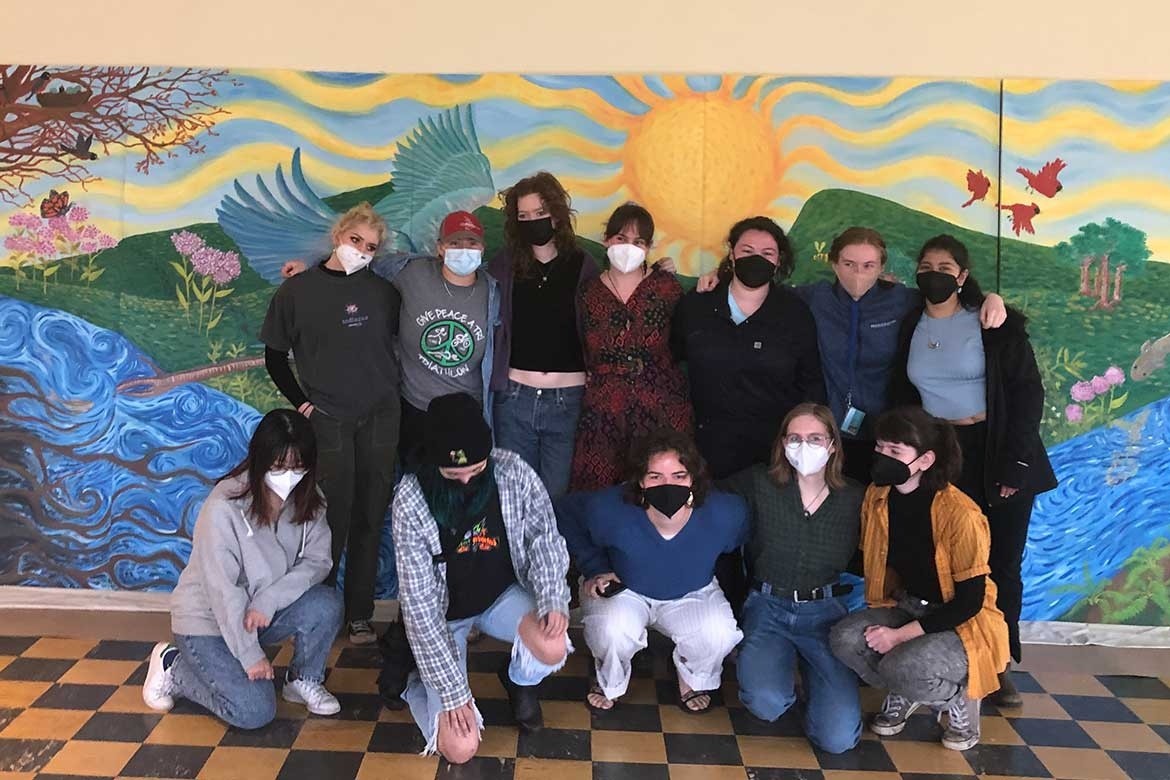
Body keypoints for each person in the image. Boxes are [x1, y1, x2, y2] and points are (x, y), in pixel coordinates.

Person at [696, 226, 1006, 482]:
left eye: (868, 266)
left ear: (881, 267)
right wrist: (719, 277)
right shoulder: (813, 297)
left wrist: (992, 298)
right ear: (833, 264)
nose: (858, 273)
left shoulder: (903, 300)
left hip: (884, 435)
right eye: (849, 264)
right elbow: (755, 289)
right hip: (827, 434)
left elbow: (949, 301)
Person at [888, 234, 1055, 706]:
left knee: (1001, 562)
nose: (934, 273)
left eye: (945, 266)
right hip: (940, 452)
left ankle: (998, 665)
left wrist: (1016, 463)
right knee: (942, 559)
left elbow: (1027, 393)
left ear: (962, 276)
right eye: (925, 264)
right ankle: (940, 654)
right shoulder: (909, 323)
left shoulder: (993, 321)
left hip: (997, 447)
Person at [392, 392, 572, 764]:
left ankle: (519, 683)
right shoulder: (410, 498)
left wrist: (554, 598)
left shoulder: (512, 470)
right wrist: (453, 690)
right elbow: (420, 608)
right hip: (444, 619)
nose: (466, 482)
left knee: (553, 646)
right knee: (460, 750)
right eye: (453, 474)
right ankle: (418, 685)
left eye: (475, 471)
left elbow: (544, 538)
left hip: (500, 597)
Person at [142, 410, 343, 729]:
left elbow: (318, 562)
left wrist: (271, 599)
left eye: (297, 466)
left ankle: (301, 679)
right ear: (259, 460)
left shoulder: (309, 499)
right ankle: (173, 667)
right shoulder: (223, 506)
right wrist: (249, 654)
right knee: (254, 711)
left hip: (259, 612)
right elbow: (224, 591)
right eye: (278, 466)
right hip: (207, 623)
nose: (288, 475)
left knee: (326, 603)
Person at [829, 406, 1010, 752]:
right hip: (908, 605)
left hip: (962, 622)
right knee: (845, 639)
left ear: (925, 460)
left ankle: (957, 700)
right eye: (881, 448)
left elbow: (969, 602)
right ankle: (908, 686)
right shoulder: (878, 496)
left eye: (895, 452)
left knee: (901, 663)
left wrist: (899, 636)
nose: (882, 457)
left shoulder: (961, 514)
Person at [261, 202, 401, 645]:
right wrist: (303, 405)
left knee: (370, 516)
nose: (361, 250)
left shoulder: (384, 292)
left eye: (371, 247)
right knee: (330, 519)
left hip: (381, 416)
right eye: (355, 240)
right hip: (329, 420)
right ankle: (319, 612)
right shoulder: (296, 292)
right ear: (338, 235)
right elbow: (274, 357)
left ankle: (359, 613)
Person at [557, 429, 747, 714]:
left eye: (678, 476)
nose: (667, 485)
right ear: (639, 481)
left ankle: (692, 677)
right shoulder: (609, 507)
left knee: (719, 632)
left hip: (692, 591)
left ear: (694, 478)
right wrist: (595, 567)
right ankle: (610, 679)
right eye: (655, 477)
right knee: (612, 629)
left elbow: (737, 543)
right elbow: (565, 513)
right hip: (626, 588)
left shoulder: (726, 512)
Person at [721, 403, 863, 753]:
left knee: (838, 739)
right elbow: (708, 502)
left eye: (815, 438)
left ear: (832, 444)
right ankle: (783, 675)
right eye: (795, 438)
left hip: (828, 612)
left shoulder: (857, 497)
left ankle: (817, 685)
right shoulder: (758, 482)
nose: (804, 446)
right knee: (765, 703)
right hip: (768, 605)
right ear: (782, 443)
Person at [671, 215, 825, 481]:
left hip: (773, 451)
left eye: (768, 253)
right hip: (707, 447)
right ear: (732, 254)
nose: (757, 258)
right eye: (747, 251)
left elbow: (811, 381)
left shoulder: (794, 313)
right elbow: (672, 361)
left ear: (778, 261)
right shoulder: (697, 305)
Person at [488, 172, 598, 498]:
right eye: (524, 216)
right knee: (513, 496)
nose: (532, 222)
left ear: (557, 214)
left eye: (540, 213)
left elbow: (607, 311)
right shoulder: (504, 265)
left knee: (556, 499)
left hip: (568, 402)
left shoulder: (583, 265)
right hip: (514, 399)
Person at [570, 203, 692, 491]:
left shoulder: (666, 288)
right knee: (597, 491)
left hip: (661, 404)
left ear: (649, 247)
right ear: (606, 240)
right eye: (621, 239)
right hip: (604, 408)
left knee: (659, 487)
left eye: (638, 242)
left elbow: (686, 340)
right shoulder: (587, 293)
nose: (629, 247)